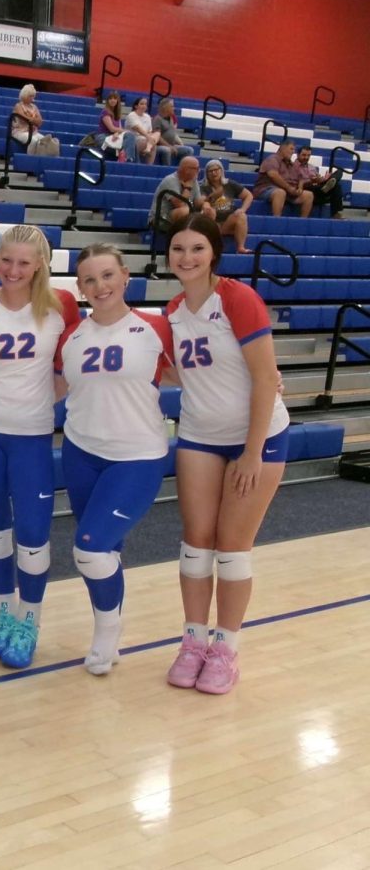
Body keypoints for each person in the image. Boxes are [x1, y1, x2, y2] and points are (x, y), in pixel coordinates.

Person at [163, 214, 290, 695]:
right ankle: (193, 641)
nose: (187, 257)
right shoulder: (173, 310)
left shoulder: (238, 298)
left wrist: (252, 452)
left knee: (233, 546)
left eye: (197, 248)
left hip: (257, 439)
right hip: (199, 435)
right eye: (178, 249)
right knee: (197, 541)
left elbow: (263, 376)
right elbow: (176, 370)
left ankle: (226, 649)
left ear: (213, 252)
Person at [0, 225, 80, 669]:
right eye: (6, 260)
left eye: (24, 262)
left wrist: (39, 399)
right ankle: (5, 615)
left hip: (31, 433)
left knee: (31, 533)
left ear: (40, 263)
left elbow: (72, 366)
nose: (13, 270)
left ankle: (30, 621)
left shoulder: (61, 305)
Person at [54, 244, 175, 675]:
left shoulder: (157, 327)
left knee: (90, 549)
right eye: (89, 279)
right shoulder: (71, 336)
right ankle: (108, 627)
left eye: (107, 276)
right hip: (81, 453)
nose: (99, 286)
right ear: (80, 288)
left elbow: (200, 370)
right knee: (105, 553)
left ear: (125, 276)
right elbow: (53, 388)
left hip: (136, 455)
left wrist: (265, 379)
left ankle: (107, 631)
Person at [200, 159, 254, 254]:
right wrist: (212, 198)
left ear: (221, 171)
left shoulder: (229, 184)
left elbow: (248, 195)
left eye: (216, 170)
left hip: (227, 221)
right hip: (212, 222)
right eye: (210, 171)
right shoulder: (203, 187)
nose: (214, 173)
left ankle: (241, 247)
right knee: (208, 211)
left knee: (241, 216)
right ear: (206, 174)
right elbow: (203, 202)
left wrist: (243, 209)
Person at [148, 155, 213, 232]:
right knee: (184, 211)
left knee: (210, 212)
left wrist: (205, 204)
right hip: (161, 218)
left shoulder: (193, 180)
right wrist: (187, 188)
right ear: (186, 169)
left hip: (182, 214)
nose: (199, 171)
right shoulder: (170, 180)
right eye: (196, 168)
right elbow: (179, 204)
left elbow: (196, 203)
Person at [251, 139, 313, 218]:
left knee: (308, 195)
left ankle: (302, 222)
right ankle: (277, 220)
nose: (293, 152)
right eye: (291, 149)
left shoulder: (291, 164)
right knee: (280, 192)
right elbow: (273, 175)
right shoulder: (272, 159)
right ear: (283, 148)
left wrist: (300, 188)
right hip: (267, 189)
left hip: (288, 191)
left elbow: (300, 178)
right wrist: (289, 188)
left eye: (294, 149)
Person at [290, 145, 344, 219]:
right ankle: (326, 187)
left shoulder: (312, 167)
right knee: (330, 186)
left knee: (339, 174)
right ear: (297, 154)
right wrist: (311, 181)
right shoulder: (293, 166)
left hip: (318, 188)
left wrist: (323, 179)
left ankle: (335, 213)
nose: (306, 157)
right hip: (305, 189)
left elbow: (318, 179)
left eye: (308, 155)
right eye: (304, 155)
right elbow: (296, 183)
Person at [93, 91, 138, 162]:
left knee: (130, 138)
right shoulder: (105, 112)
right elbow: (111, 128)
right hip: (103, 137)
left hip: (113, 136)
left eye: (115, 98)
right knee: (129, 138)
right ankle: (129, 160)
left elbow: (118, 130)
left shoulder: (117, 114)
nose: (112, 100)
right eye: (110, 99)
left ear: (117, 101)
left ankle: (128, 159)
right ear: (107, 101)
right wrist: (125, 131)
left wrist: (117, 133)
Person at [152, 98, 194, 165]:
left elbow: (173, 134)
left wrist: (179, 144)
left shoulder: (171, 118)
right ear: (165, 108)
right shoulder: (157, 119)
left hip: (171, 145)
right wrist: (169, 146)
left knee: (189, 150)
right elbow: (158, 137)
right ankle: (167, 170)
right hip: (160, 146)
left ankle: (182, 168)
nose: (174, 108)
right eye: (172, 106)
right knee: (167, 150)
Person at [11, 84, 47, 151]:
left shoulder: (35, 107)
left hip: (33, 132)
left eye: (33, 96)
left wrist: (32, 120)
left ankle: (39, 158)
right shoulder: (18, 106)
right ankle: (30, 158)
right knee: (33, 141)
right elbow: (23, 118)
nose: (32, 98)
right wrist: (33, 120)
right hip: (19, 131)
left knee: (44, 141)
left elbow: (40, 122)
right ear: (25, 95)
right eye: (30, 96)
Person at [124, 96, 160, 164]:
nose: (144, 106)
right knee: (150, 143)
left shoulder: (147, 116)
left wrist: (149, 138)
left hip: (146, 139)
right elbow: (138, 129)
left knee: (157, 134)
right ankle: (148, 147)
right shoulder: (131, 115)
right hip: (134, 139)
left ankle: (149, 164)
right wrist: (149, 138)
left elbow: (149, 131)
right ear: (136, 106)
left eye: (145, 104)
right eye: (142, 104)